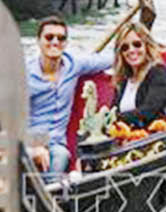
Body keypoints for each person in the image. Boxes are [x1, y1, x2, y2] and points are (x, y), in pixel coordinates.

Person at [26, 16, 114, 179]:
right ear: (38, 41)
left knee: (60, 155)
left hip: (57, 144)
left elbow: (109, 59)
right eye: (49, 37)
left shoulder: (74, 64)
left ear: (66, 43)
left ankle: (48, 198)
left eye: (61, 38)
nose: (55, 42)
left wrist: (157, 49)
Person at [111, 23, 166, 128]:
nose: (131, 50)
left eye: (137, 44)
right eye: (125, 47)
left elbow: (148, 111)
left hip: (157, 136)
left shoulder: (158, 73)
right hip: (128, 137)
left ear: (147, 46)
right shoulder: (123, 79)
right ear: (121, 53)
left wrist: (114, 118)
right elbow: (114, 110)